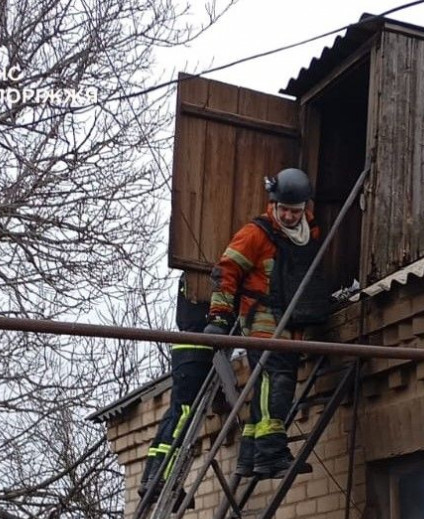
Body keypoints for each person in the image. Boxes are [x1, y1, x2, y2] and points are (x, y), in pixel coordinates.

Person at [203, 167, 329, 479]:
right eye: (283, 209)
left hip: (292, 318)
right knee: (277, 378)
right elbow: (226, 270)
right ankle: (271, 452)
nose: (288, 217)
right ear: (273, 204)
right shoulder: (255, 233)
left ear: (305, 208)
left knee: (266, 383)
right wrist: (219, 317)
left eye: (294, 211)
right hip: (260, 315)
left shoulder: (310, 233)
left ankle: (250, 456)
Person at [137, 273, 214, 499]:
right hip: (197, 350)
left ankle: (151, 475)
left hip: (184, 350)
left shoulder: (188, 273)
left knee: (174, 414)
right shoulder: (206, 273)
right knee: (184, 415)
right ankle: (163, 478)